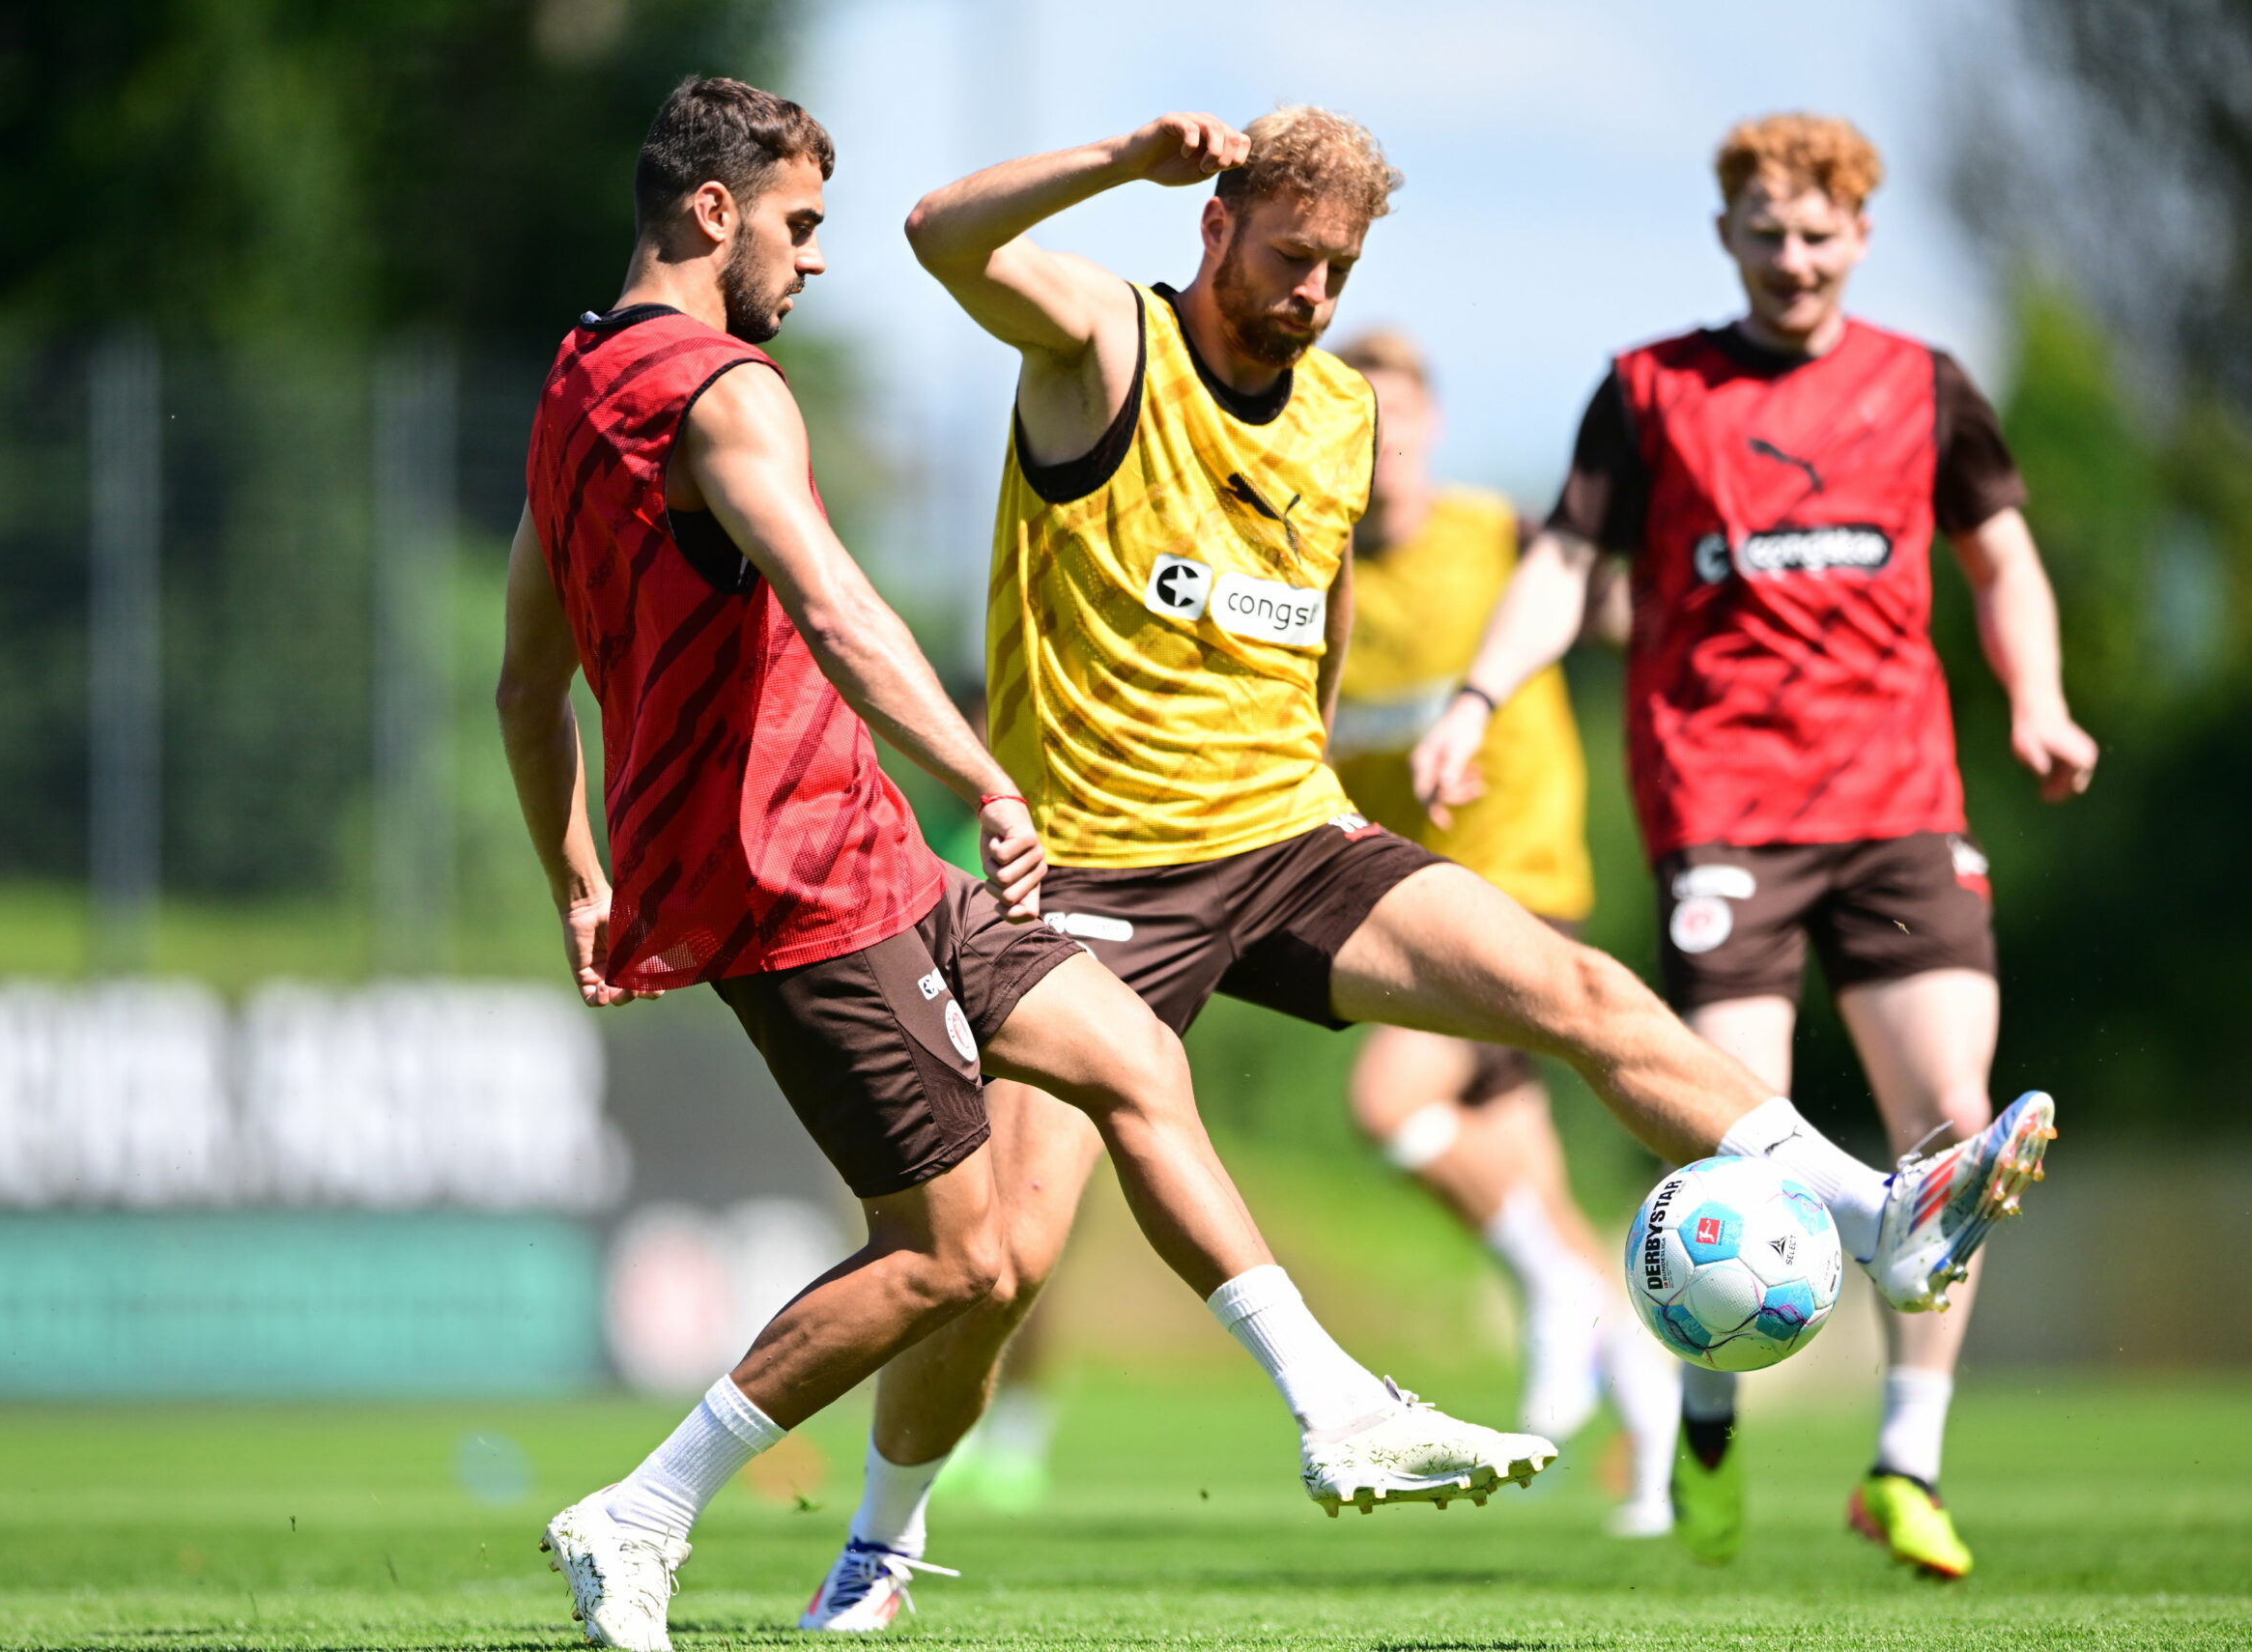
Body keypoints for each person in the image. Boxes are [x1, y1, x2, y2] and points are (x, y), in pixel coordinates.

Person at [799, 104, 2055, 1631]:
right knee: (998, 1261)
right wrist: (1125, 164)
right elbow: (940, 231)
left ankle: (1879, 1215)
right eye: (1289, 257)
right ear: (1216, 231)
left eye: (1339, 268)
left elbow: (1313, 622)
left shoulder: (1339, 416)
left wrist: (1319, 781)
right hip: (1096, 880)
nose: (1312, 293)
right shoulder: (1102, 342)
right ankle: (876, 1547)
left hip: (1288, 838)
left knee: (1579, 988)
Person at [499, 77, 1556, 1652]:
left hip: (863, 852)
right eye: (799, 226)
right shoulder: (731, 398)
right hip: (793, 884)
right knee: (959, 1258)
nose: (817, 261)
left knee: (1133, 1054)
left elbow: (527, 678)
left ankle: (1336, 1408)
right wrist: (985, 772)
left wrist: (573, 865)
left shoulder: (580, 384)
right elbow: (846, 618)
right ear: (713, 215)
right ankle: (643, 1512)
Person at [1409, 112, 2094, 1581]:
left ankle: (1904, 1463)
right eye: (1768, 233)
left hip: (1902, 807)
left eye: (1820, 233)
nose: (1794, 258)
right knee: (1744, 1143)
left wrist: (2035, 695)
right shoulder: (1652, 392)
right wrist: (1477, 692)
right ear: (1728, 236)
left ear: (1860, 236)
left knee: (1952, 1127)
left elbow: (2005, 558)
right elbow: (1565, 563)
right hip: (1724, 815)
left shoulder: (1926, 388)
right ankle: (1710, 1427)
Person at [1326, 328, 1679, 1539]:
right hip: (1410, 908)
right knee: (1523, 1177)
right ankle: (1648, 1412)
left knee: (1387, 1103)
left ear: (1432, 427)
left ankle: (1550, 1308)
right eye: (1360, 417)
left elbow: (1622, 603)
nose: (1387, 441)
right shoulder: (1316, 564)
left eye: (1403, 416)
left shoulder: (1497, 535)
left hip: (1520, 886)